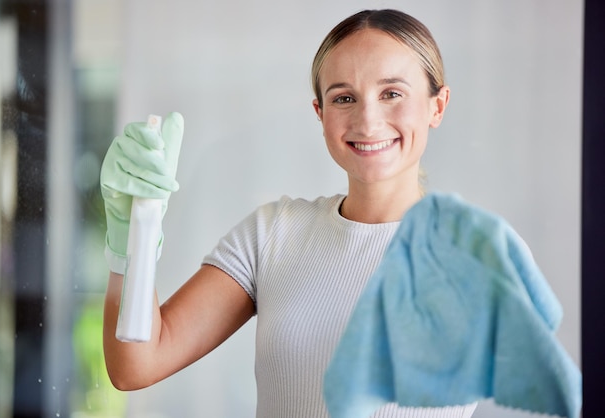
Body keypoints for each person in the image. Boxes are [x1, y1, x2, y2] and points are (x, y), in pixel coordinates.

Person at [100, 9, 478, 418]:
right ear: (320, 113)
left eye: (392, 93)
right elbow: (135, 366)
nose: (368, 120)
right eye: (344, 97)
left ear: (437, 106)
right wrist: (131, 238)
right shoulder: (273, 235)